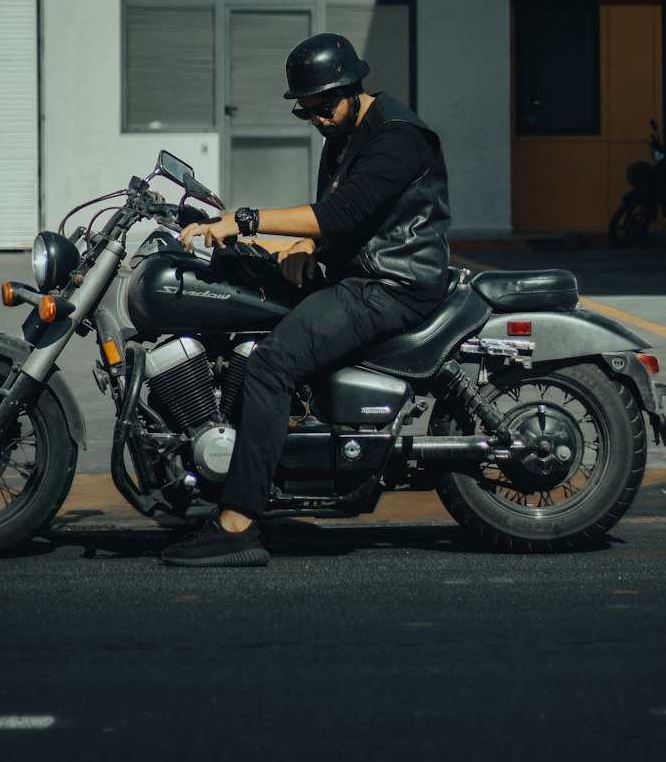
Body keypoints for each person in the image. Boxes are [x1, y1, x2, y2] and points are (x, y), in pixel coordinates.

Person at [161, 31, 451, 567]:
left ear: (351, 89)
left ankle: (239, 522)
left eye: (321, 107)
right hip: (357, 272)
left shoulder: (398, 136)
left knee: (274, 363)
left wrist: (245, 221)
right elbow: (342, 218)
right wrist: (303, 244)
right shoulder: (343, 135)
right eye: (305, 112)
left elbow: (344, 214)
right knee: (242, 282)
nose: (315, 119)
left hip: (391, 284)